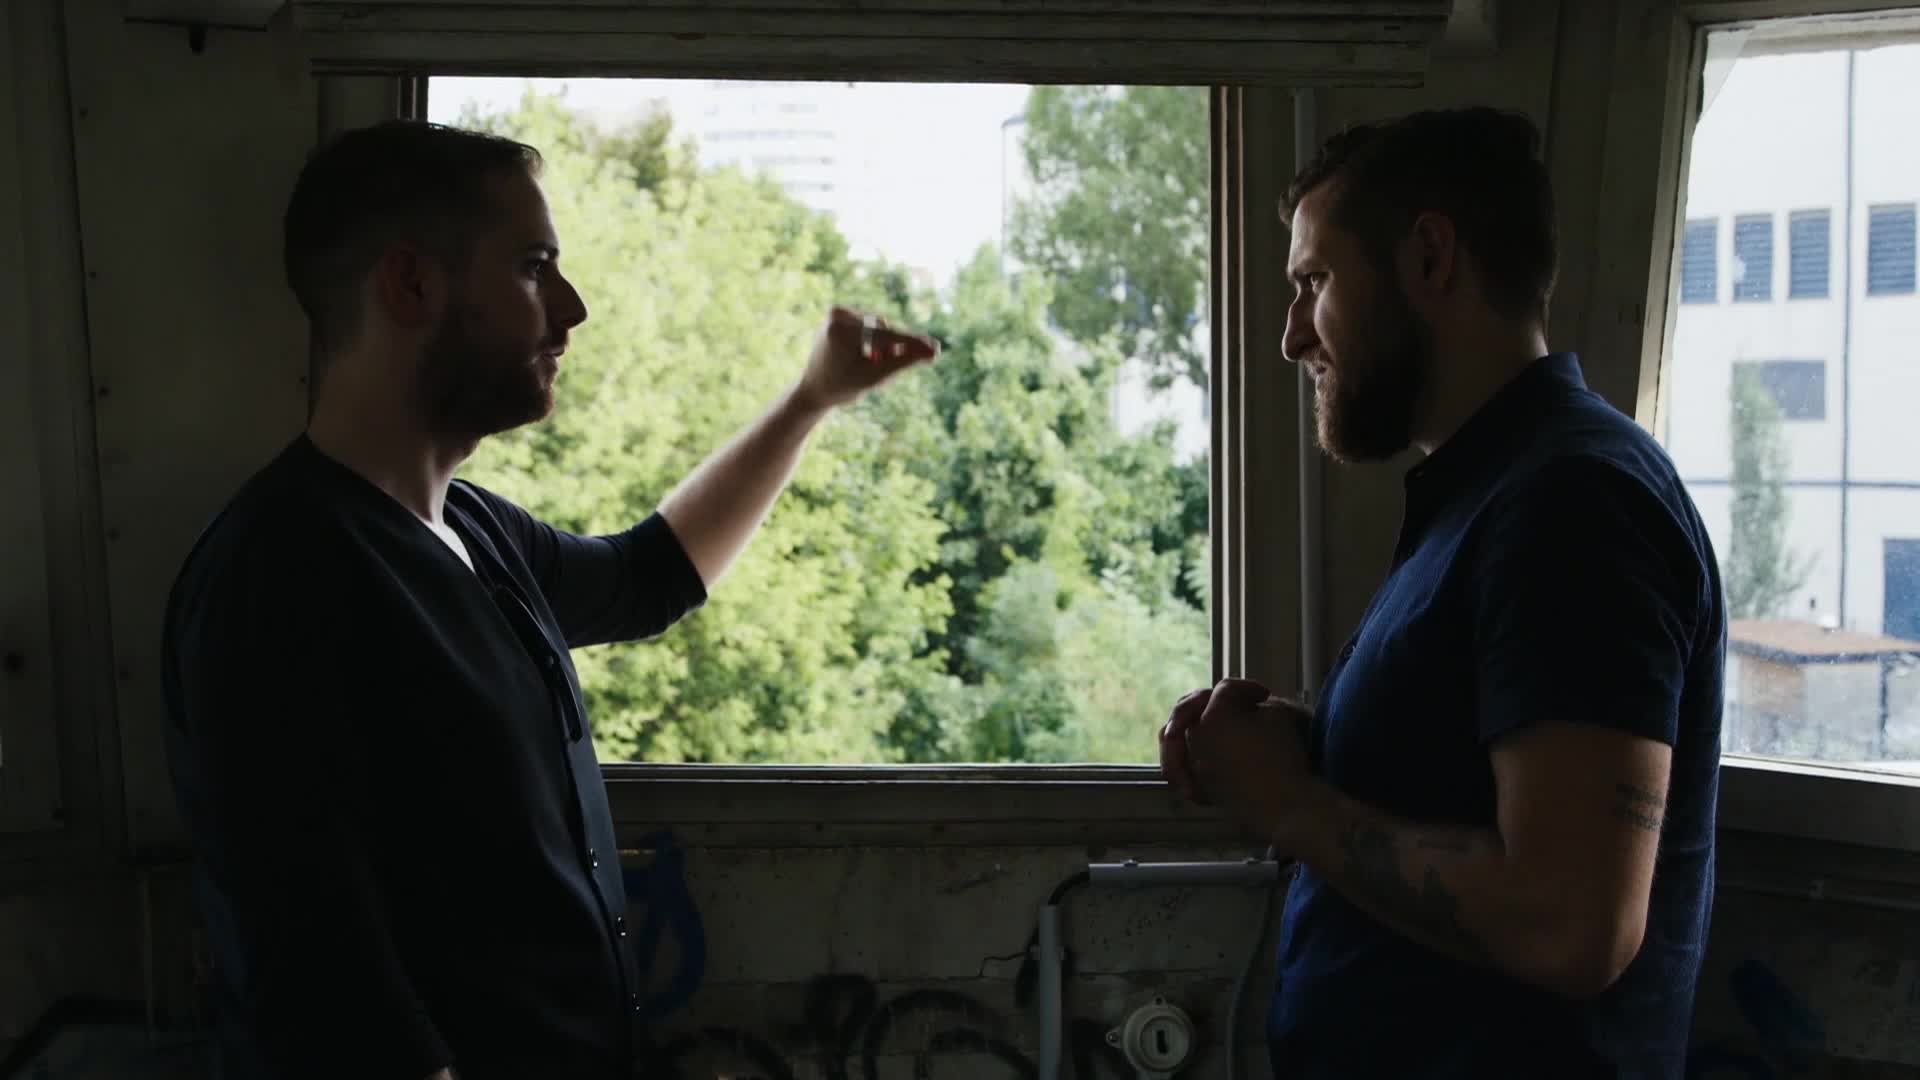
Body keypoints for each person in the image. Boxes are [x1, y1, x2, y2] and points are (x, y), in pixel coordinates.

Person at [160, 120, 937, 1080]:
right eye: (534, 268)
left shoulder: (479, 532)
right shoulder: (277, 579)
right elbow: (325, 989)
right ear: (410, 285)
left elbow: (652, 576)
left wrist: (810, 400)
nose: (572, 308)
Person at [1159, 107, 1724, 1078]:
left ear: (1429, 257)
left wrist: (1290, 804)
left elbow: (1572, 925)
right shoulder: (1495, 494)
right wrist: (1318, 745)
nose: (1294, 337)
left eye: (1314, 282)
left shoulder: (1572, 505)